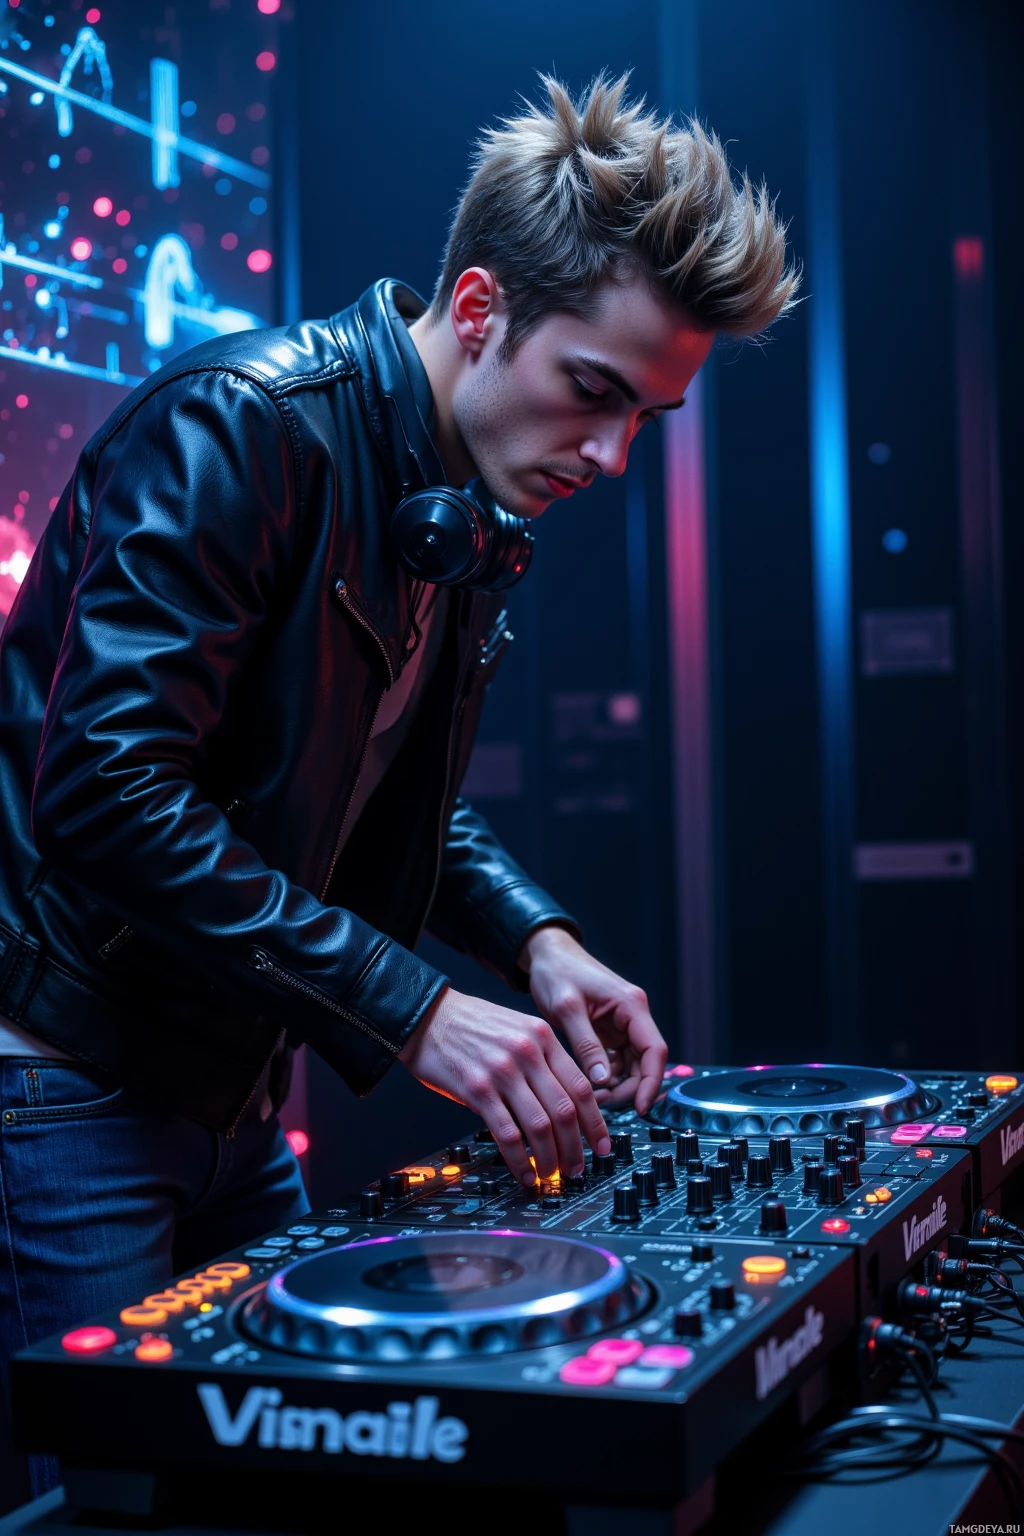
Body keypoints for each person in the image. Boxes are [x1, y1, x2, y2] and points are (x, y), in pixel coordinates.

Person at [0, 72, 797, 1502]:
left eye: (647, 420)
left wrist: (536, 939)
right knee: (114, 1510)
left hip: (232, 1094)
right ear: (480, 307)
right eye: (595, 393)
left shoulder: (444, 493)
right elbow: (107, 793)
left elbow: (357, 781)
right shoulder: (245, 427)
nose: (613, 455)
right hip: (66, 1097)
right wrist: (417, 1008)